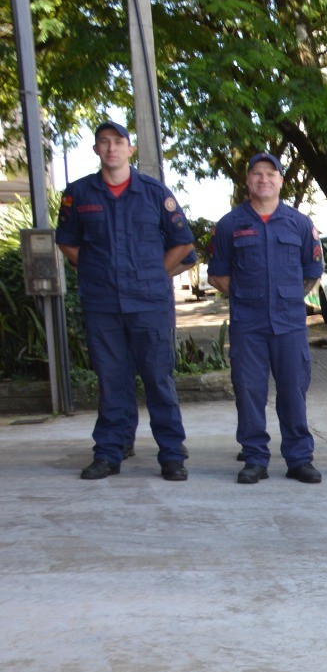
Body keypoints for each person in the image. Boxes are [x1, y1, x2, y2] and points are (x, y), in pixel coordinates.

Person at [56, 120, 196, 481]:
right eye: (104, 142)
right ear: (96, 150)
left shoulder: (153, 192)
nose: (112, 148)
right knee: (111, 380)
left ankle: (171, 455)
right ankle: (109, 453)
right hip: (102, 305)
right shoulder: (79, 194)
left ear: (130, 149)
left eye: (118, 142)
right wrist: (91, 270)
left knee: (158, 380)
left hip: (149, 304)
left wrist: (153, 274)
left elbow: (184, 242)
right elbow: (67, 241)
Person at [207, 153, 326, 484]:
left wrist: (284, 296)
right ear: (247, 181)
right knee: (249, 393)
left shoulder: (300, 225)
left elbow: (311, 272)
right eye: (256, 174)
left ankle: (299, 459)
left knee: (293, 393)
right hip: (248, 326)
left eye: (270, 174)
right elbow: (217, 276)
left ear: (280, 181)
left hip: (289, 325)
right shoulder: (230, 224)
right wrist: (248, 295)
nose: (263, 179)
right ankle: (255, 458)